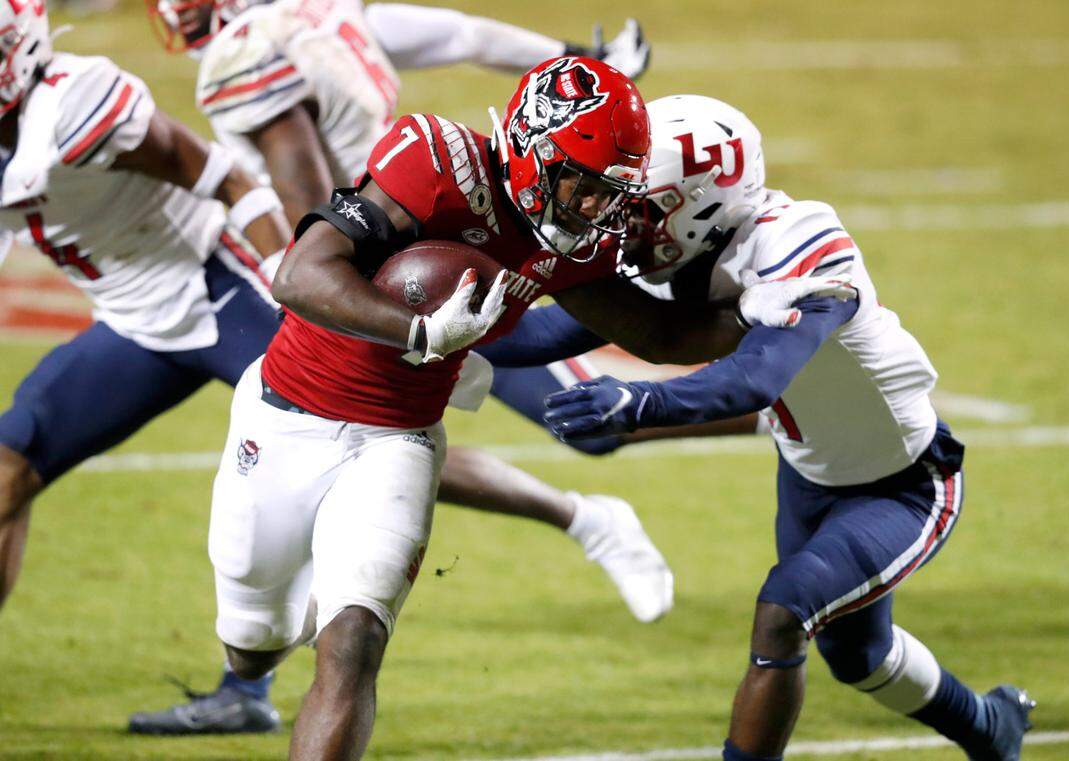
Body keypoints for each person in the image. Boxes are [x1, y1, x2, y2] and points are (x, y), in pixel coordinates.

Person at [205, 58, 823, 759]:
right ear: (533, 146)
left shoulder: (580, 238)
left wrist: (764, 312)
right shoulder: (436, 162)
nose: (594, 209)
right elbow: (299, 274)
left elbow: (657, 333)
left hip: (397, 440)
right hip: (284, 414)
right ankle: (295, 593)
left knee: (353, 642)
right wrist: (418, 331)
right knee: (252, 647)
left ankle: (344, 577)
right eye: (583, 186)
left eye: (608, 193)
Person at [127, 0, 669, 734]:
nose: (183, 17)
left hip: (411, 307)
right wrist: (405, 312)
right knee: (252, 641)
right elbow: (459, 37)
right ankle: (290, 613)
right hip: (394, 273)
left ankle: (572, 520)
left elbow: (305, 212)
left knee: (353, 640)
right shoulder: (338, 35)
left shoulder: (248, 50)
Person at [541, 95, 1036, 761]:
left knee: (782, 615)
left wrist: (639, 404)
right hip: (808, 472)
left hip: (903, 484)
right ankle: (989, 727)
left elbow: (756, 378)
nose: (621, 217)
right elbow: (550, 328)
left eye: (642, 202)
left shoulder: (804, 245)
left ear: (701, 203)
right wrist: (429, 324)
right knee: (858, 655)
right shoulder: (687, 254)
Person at [0, 0, 291, 645]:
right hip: (137, 325)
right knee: (7, 469)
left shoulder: (76, 108)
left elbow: (224, 177)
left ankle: (569, 515)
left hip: (219, 290)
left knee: (356, 438)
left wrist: (292, 282)